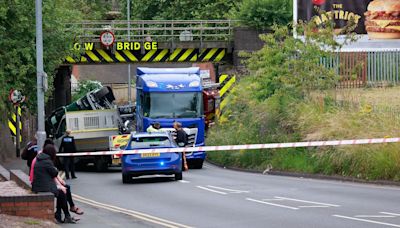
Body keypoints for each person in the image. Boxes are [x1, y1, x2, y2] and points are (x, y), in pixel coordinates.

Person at [30, 139, 84, 217]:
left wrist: (60, 183)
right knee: (62, 191)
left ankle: (61, 213)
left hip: (41, 183)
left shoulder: (41, 158)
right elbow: (54, 173)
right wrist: (60, 185)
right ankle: (67, 214)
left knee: (64, 188)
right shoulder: (45, 160)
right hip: (41, 185)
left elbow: (53, 174)